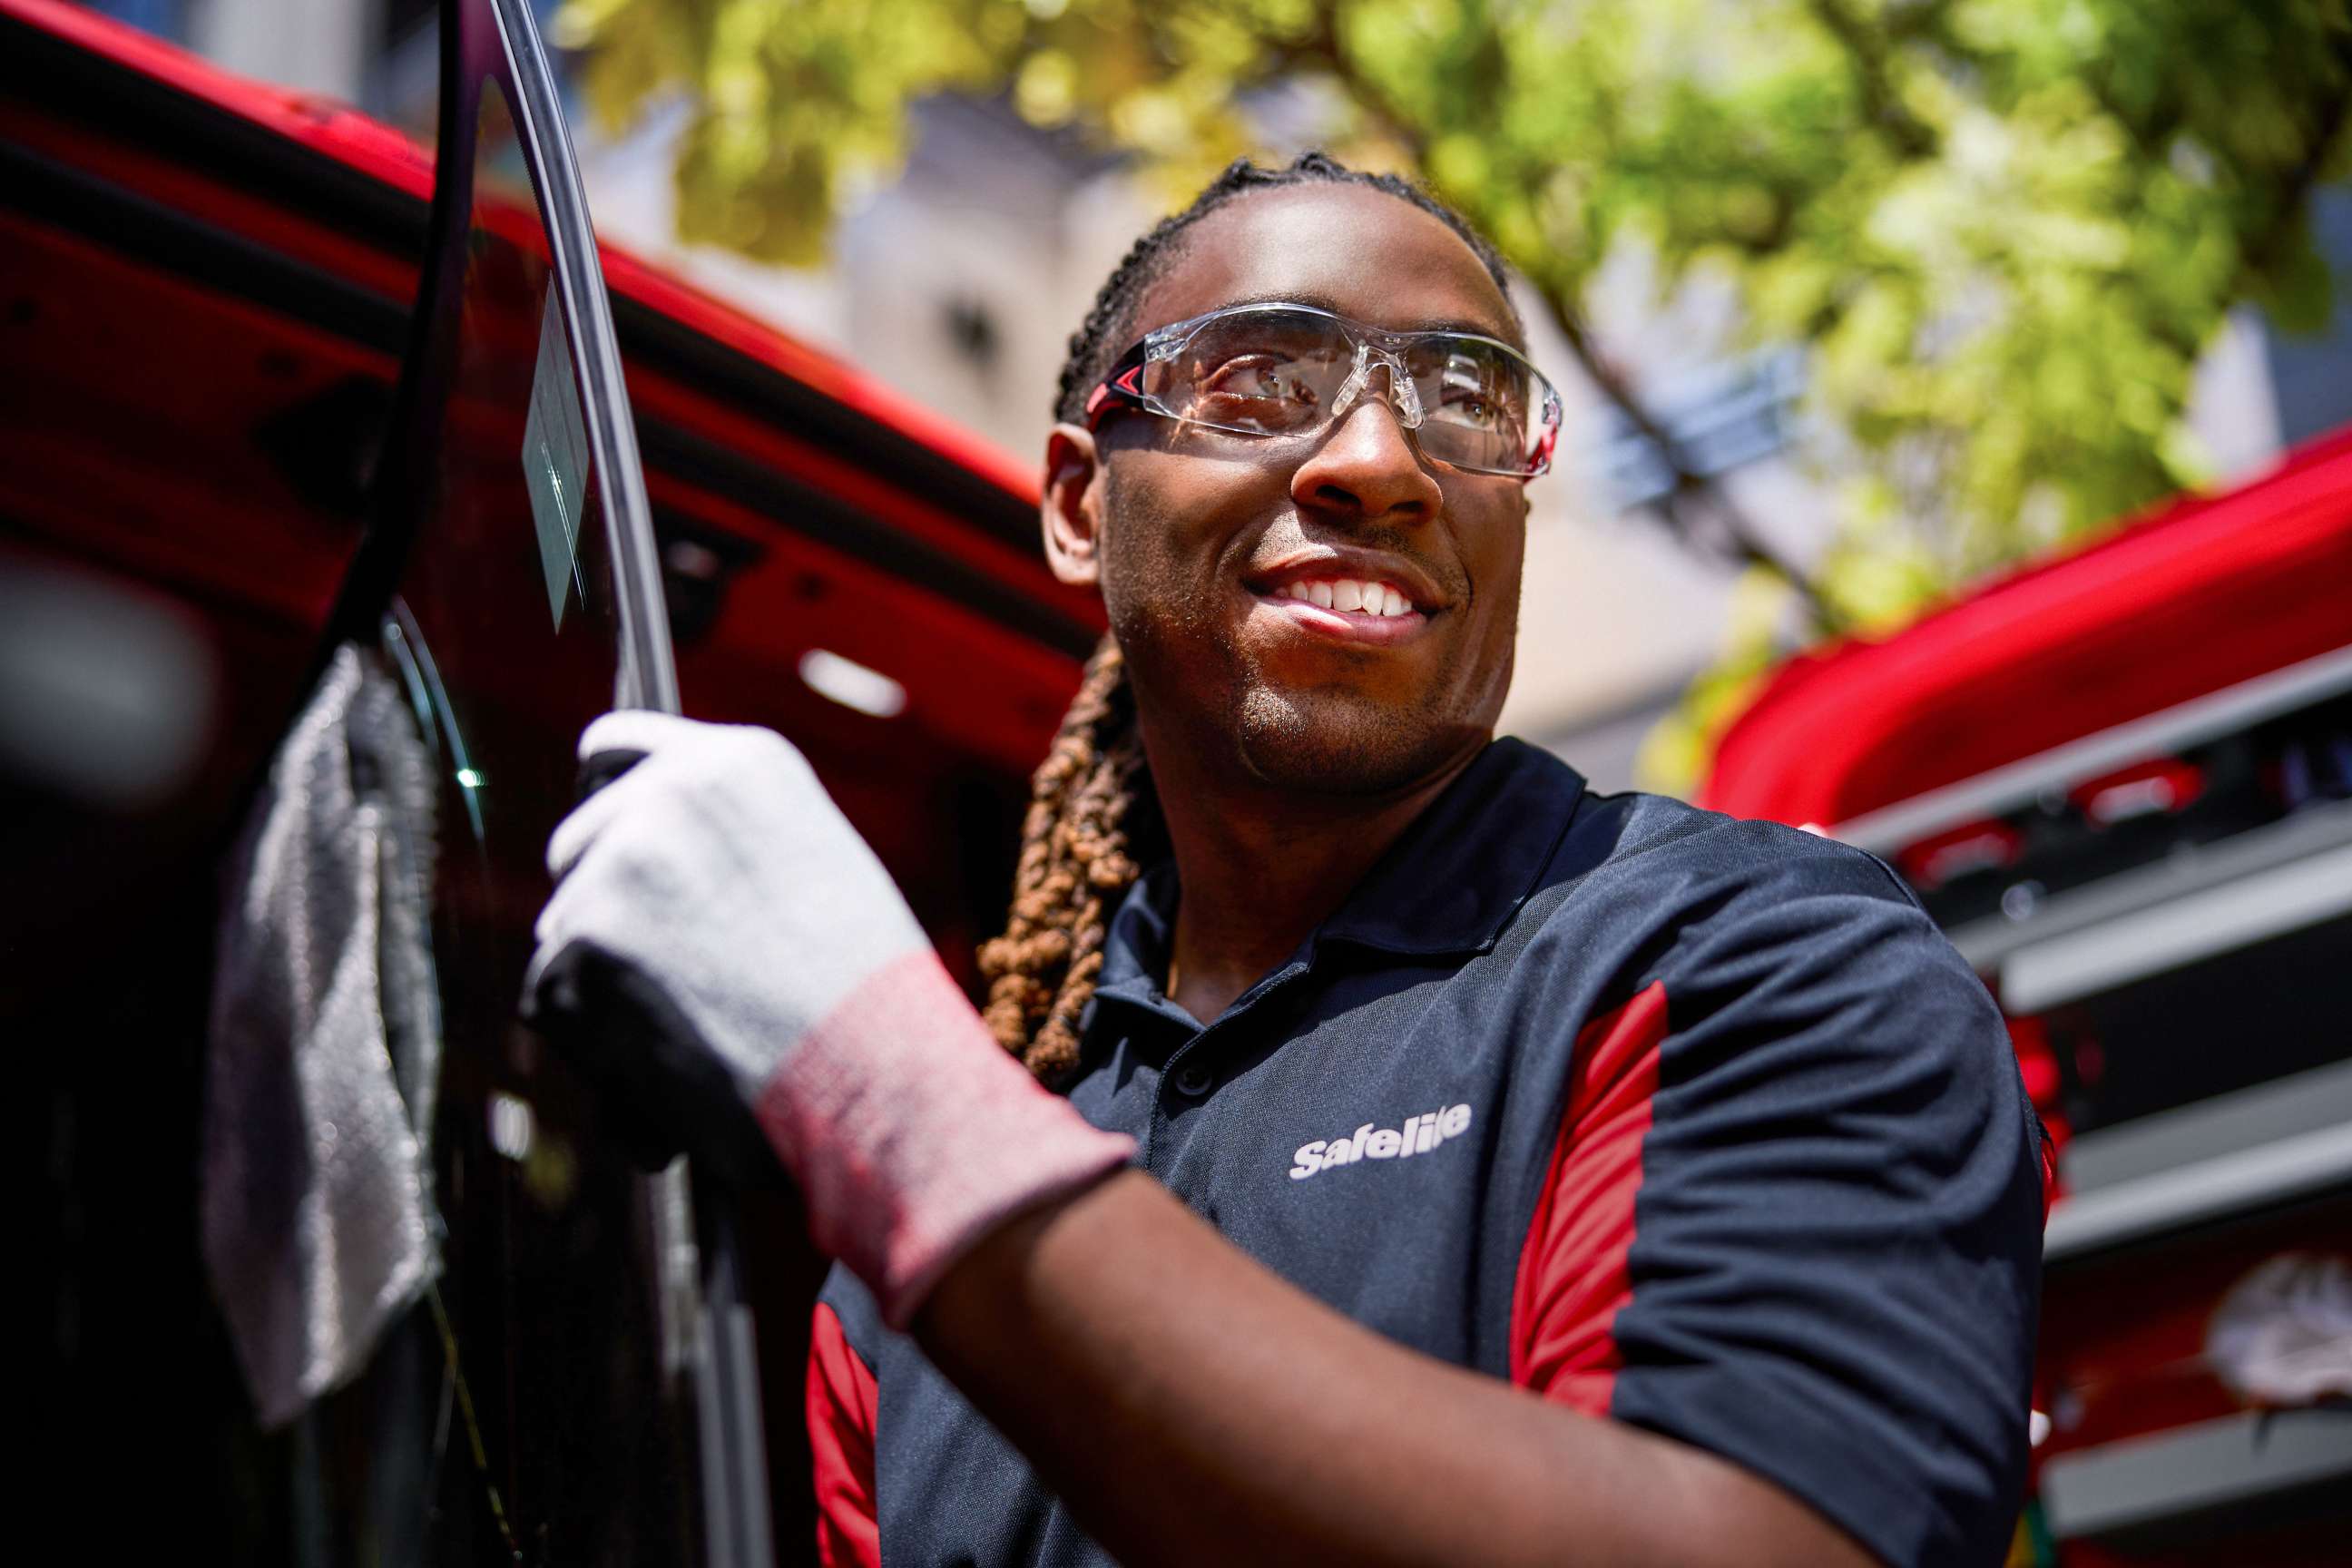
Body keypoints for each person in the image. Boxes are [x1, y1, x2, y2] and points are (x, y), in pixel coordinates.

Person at [528, 152, 2044, 1568]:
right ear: (1077, 504)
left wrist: (878, 1085)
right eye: (1258, 383)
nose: (1381, 461)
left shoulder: (1752, 958)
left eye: (1466, 396)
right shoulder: (886, 1305)